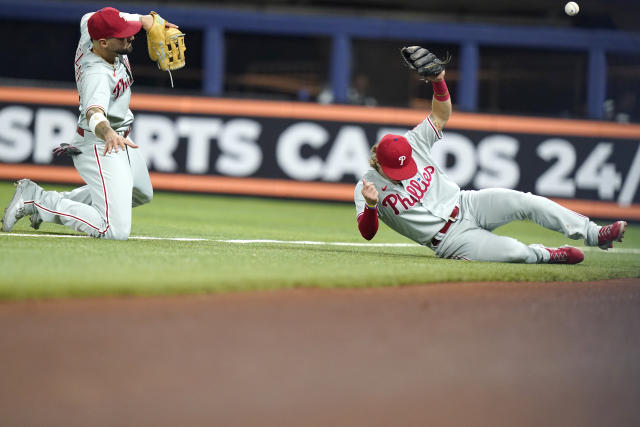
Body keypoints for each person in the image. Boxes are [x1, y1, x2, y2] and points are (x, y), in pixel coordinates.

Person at [354, 45, 627, 264]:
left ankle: (594, 233)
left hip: (468, 203)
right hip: (450, 240)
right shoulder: (366, 186)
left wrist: (438, 82)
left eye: (407, 166)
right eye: (398, 170)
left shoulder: (413, 143)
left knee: (524, 201)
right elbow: (367, 233)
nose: (406, 171)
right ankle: (545, 254)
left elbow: (440, 114)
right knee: (516, 252)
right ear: (378, 162)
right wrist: (370, 205)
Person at [2, 7, 177, 239]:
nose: (131, 36)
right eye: (123, 35)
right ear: (103, 42)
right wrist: (108, 134)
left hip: (119, 136)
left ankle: (36, 198)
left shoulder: (91, 32)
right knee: (113, 230)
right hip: (101, 142)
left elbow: (91, 17)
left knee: (140, 192)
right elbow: (94, 113)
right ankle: (40, 201)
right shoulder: (96, 74)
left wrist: (145, 20)